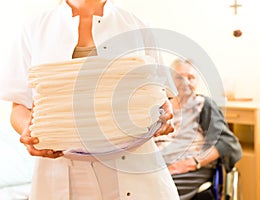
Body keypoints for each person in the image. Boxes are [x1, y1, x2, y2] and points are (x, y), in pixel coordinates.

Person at [0, 0, 180, 199]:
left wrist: (164, 114)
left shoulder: (137, 25)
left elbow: (162, 97)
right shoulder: (35, 29)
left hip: (135, 168)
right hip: (61, 169)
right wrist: (28, 131)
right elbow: (19, 106)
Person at [155, 59, 242, 200]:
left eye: (191, 77)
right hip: (156, 168)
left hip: (185, 172)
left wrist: (191, 163)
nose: (185, 82)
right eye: (179, 77)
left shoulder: (203, 105)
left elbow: (227, 142)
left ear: (196, 82)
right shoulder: (160, 107)